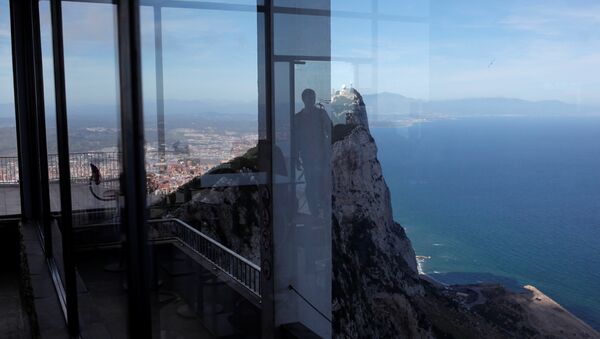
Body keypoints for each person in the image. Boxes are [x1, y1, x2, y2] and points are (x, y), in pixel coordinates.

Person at [294, 88, 332, 217]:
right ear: (303, 100)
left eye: (313, 97)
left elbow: (330, 130)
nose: (311, 100)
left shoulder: (321, 114)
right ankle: (314, 212)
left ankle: (321, 210)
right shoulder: (298, 118)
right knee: (311, 183)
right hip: (308, 157)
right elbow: (295, 139)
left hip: (321, 156)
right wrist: (295, 156)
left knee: (321, 182)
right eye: (309, 98)